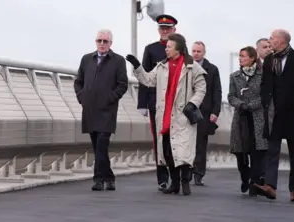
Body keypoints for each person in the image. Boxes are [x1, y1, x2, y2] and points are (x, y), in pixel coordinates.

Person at [126, 33, 207, 196]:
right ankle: (175, 183)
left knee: (182, 150)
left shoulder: (192, 66)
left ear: (178, 48)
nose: (166, 49)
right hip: (164, 114)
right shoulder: (162, 66)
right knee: (167, 150)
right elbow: (148, 80)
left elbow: (201, 88)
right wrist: (138, 67)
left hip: (183, 114)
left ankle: (185, 182)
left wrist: (192, 104)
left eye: (169, 46)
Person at [253, 29, 294, 202]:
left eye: (272, 38)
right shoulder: (270, 60)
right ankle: (270, 186)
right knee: (272, 150)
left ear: (281, 41)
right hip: (273, 112)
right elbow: (265, 83)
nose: (269, 40)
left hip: (293, 113)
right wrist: (266, 100)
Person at [73, 29, 129, 191]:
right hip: (90, 109)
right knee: (96, 145)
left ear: (111, 43)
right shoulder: (86, 59)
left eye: (105, 41)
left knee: (102, 144)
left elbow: (122, 84)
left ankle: (98, 179)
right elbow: (78, 81)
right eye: (99, 41)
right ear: (95, 42)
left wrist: (110, 98)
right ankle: (109, 177)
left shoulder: (118, 61)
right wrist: (82, 97)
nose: (102, 44)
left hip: (107, 110)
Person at [137, 14, 178, 191]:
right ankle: (162, 177)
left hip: (176, 103)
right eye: (162, 29)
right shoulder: (151, 49)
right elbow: (144, 77)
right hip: (156, 102)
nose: (165, 31)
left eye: (168, 29)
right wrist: (142, 103)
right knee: (159, 140)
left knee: (175, 140)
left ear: (174, 30)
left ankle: (178, 174)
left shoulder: (181, 50)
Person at [227, 46, 268, 197]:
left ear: (252, 58)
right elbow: (230, 96)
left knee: (257, 152)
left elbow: (264, 96)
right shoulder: (234, 76)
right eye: (239, 56)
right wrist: (241, 105)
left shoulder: (262, 75)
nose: (240, 58)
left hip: (257, 118)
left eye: (243, 56)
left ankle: (254, 183)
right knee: (240, 152)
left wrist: (251, 105)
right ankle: (245, 177)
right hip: (240, 118)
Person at [190, 41, 222, 186]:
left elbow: (217, 91)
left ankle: (199, 173)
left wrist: (215, 112)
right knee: (187, 142)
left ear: (204, 53)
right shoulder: (186, 66)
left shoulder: (212, 69)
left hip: (204, 111)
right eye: (194, 51)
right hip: (187, 109)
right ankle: (187, 171)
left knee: (201, 144)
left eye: (199, 51)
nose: (196, 54)